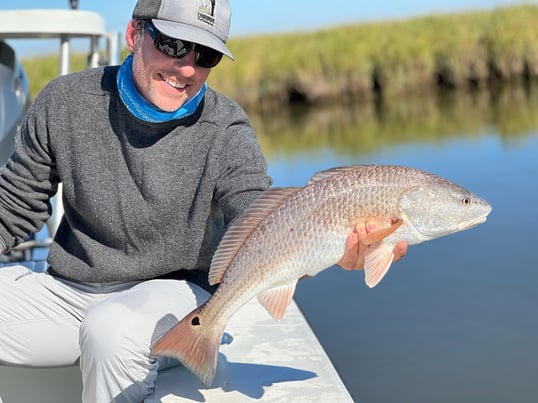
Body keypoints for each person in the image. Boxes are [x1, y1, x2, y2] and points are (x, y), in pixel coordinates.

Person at [0, 0, 407, 401]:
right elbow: (14, 204)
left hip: (175, 300)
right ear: (133, 34)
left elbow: (253, 213)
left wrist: (337, 247)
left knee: (111, 330)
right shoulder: (64, 101)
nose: (187, 68)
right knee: (100, 327)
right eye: (174, 44)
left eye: (206, 54)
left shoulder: (226, 127)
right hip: (69, 294)